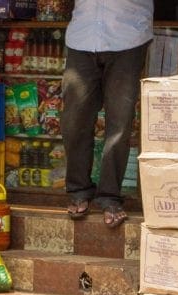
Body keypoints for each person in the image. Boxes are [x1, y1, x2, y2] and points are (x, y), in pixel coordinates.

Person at [61, 0, 153, 228]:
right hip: (82, 37)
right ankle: (79, 190)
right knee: (74, 121)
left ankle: (110, 197)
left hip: (127, 38)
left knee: (119, 124)